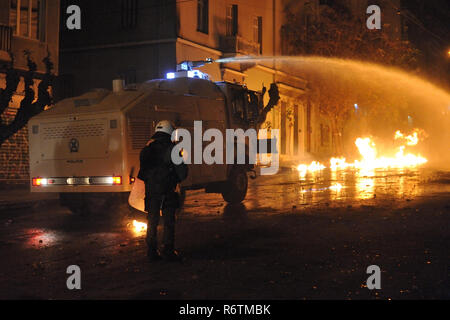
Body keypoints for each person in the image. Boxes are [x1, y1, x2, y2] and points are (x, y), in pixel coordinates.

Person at [138, 120, 188, 262]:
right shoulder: (172, 150)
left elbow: (143, 173)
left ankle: (151, 251)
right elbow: (183, 173)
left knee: (152, 220)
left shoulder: (147, 149)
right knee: (168, 221)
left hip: (151, 191)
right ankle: (168, 250)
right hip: (167, 191)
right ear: (170, 132)